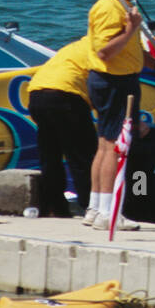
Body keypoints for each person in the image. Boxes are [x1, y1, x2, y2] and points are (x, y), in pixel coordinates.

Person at [87, 0, 154, 232]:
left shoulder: (123, 7)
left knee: (106, 145)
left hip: (118, 79)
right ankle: (107, 211)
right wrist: (130, 29)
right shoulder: (109, 8)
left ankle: (95, 207)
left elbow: (130, 48)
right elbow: (105, 50)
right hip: (114, 81)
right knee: (115, 147)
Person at [26, 39, 97, 219]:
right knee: (82, 156)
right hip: (66, 95)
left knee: (50, 155)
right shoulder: (104, 51)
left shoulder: (74, 47)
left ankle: (54, 207)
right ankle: (90, 207)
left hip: (36, 94)